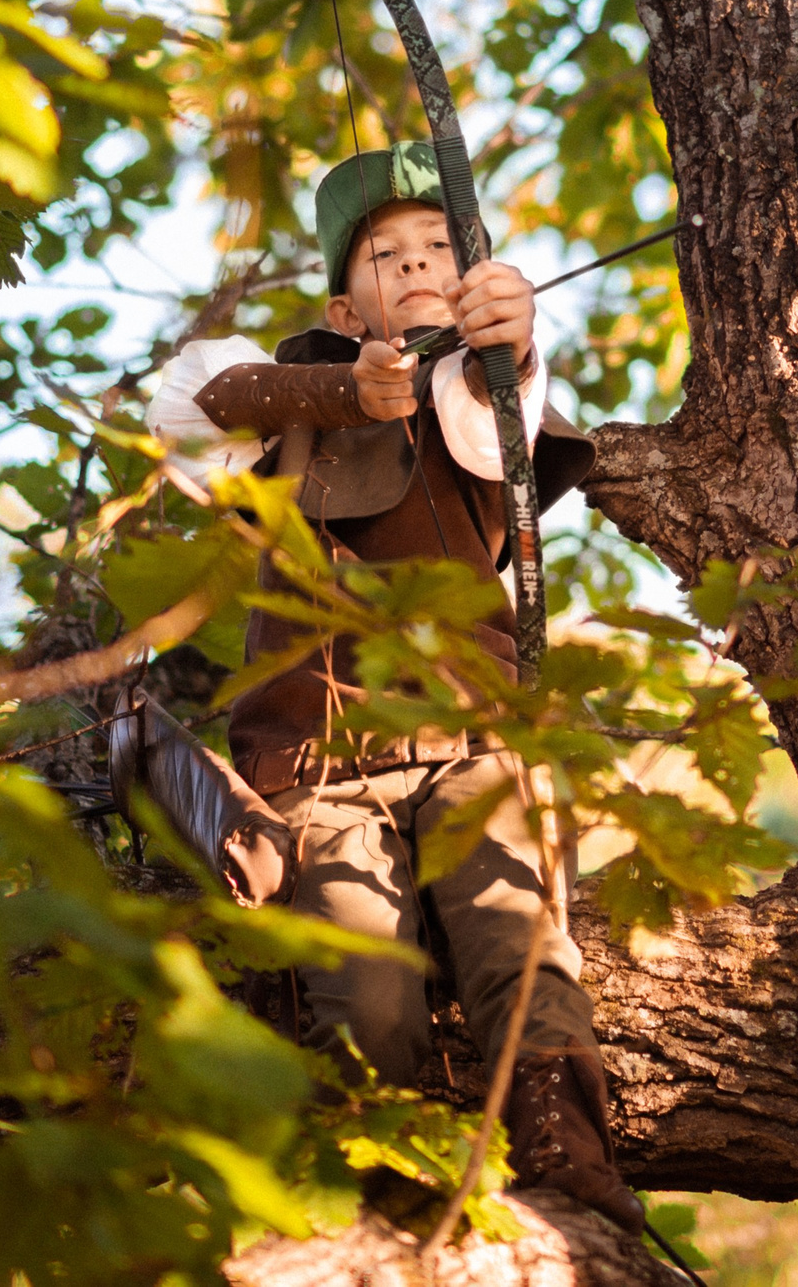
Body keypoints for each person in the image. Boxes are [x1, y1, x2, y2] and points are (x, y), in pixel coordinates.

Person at [145, 140, 635, 1231]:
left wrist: (507, 328)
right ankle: (388, 1194)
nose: (416, 262)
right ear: (338, 296)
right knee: (365, 991)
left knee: (519, 947)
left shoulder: (481, 386)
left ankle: (568, 1171)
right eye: (384, 250)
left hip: (474, 748)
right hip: (320, 773)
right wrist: (345, 387)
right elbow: (195, 399)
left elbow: (496, 403)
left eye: (441, 245)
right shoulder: (284, 402)